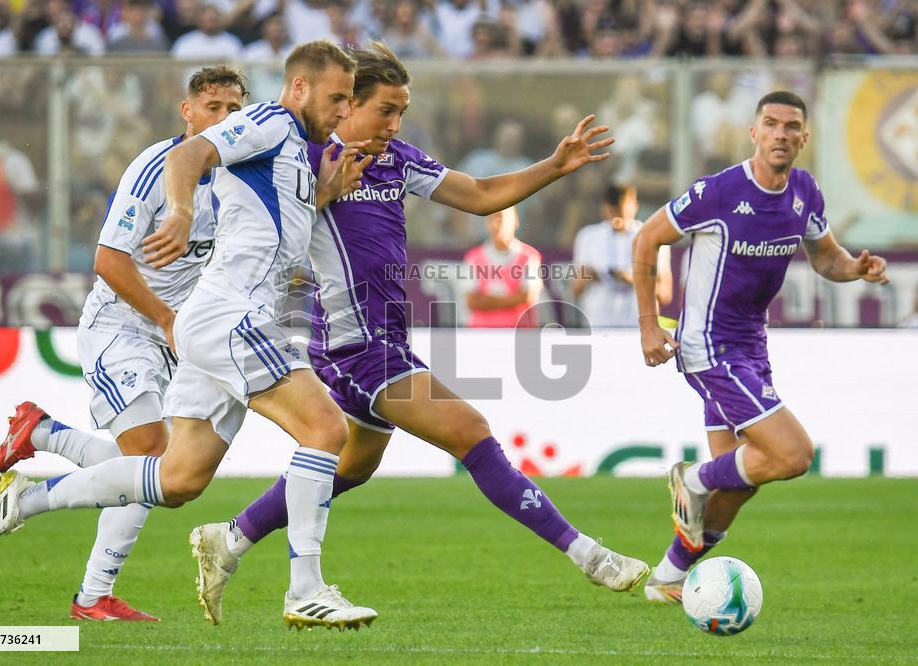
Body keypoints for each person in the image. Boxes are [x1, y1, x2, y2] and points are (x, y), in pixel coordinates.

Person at [186, 42, 649, 626]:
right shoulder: (306, 156)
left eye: (401, 111)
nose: (395, 123)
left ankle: (229, 540)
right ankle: (590, 555)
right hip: (354, 345)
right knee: (471, 432)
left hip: (388, 340)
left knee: (349, 467)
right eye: (385, 110)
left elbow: (480, 197)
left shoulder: (396, 159)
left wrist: (554, 166)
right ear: (346, 104)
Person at [0, 40, 378, 631]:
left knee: (176, 476)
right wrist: (180, 213)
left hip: (204, 326)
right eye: (338, 98)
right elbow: (177, 173)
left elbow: (268, 228)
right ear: (298, 88)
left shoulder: (283, 154)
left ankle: (29, 498)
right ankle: (304, 589)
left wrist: (322, 196)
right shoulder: (261, 124)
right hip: (194, 321)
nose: (344, 112)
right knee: (325, 428)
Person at [0, 65, 246, 622]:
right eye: (213, 108)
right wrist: (168, 318)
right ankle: (87, 587)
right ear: (187, 111)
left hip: (177, 332)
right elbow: (109, 261)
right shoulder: (152, 171)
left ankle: (44, 434)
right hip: (122, 323)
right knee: (151, 455)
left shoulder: (239, 174)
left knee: (155, 466)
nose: (224, 119)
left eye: (234, 109)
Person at [633, 91, 889, 603]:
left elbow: (826, 258)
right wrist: (648, 326)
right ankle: (694, 478)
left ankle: (667, 577)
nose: (780, 134)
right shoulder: (720, 192)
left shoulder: (804, 193)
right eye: (770, 124)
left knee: (743, 482)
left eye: (790, 127)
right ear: (754, 133)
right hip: (708, 346)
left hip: (752, 347)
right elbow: (647, 239)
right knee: (792, 455)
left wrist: (856, 269)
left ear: (804, 138)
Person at [572, 183, 672, 328]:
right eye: (612, 212)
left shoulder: (652, 237)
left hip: (638, 326)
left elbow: (665, 294)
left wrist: (635, 280)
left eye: (621, 212)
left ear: (635, 206)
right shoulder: (588, 237)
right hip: (598, 323)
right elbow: (576, 289)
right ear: (604, 208)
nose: (617, 219)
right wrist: (592, 275)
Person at [463, 206, 543, 328]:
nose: (495, 224)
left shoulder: (529, 256)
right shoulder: (473, 257)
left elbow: (528, 297)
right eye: (490, 219)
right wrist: (512, 299)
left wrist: (487, 301)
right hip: (482, 337)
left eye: (500, 218)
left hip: (520, 337)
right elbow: (471, 301)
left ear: (515, 221)